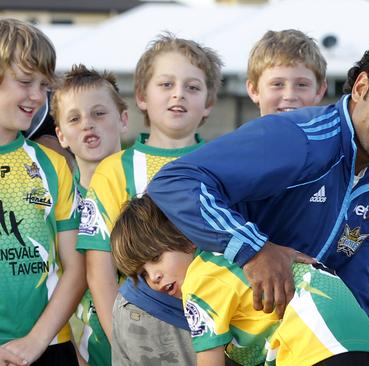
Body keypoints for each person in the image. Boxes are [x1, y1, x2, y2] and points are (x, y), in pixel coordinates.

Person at [147, 35, 369, 320]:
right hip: (174, 316)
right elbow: (175, 181)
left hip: (259, 336)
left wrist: (360, 347)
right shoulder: (301, 139)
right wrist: (254, 249)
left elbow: (351, 284)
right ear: (361, 87)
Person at [75, 33, 223, 365]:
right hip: (130, 336)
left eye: (193, 87)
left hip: (211, 338)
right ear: (141, 96)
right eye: (166, 84)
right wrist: (122, 343)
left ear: (209, 103)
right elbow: (99, 270)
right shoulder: (114, 171)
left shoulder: (220, 163)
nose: (178, 94)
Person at [110, 194, 369, 366]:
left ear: (183, 237)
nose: (154, 278)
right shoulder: (239, 252)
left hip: (317, 348)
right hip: (366, 341)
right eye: (142, 273)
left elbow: (210, 360)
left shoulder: (199, 279)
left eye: (156, 257)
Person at [0, 18, 85, 365]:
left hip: (48, 347)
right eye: (25, 82)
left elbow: (76, 269)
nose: (38, 96)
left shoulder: (53, 165)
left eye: (44, 85)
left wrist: (36, 341)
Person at [50, 64, 129, 366]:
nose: (87, 124)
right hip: (84, 352)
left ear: (123, 119)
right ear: (62, 136)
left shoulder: (148, 192)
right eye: (74, 118)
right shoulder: (60, 204)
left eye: (99, 113)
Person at [246, 29, 327, 116]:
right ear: (254, 90)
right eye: (277, 84)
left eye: (302, 85)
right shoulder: (244, 130)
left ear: (319, 91)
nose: (290, 96)